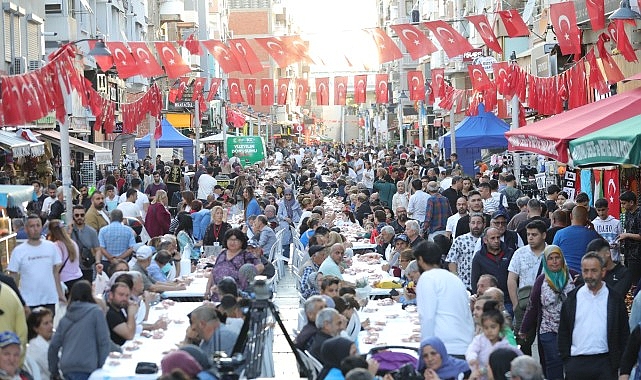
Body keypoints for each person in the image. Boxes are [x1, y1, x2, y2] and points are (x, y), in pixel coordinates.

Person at [558, 252, 629, 380]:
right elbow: (563, 331)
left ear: (603, 272)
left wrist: (622, 367)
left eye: (593, 271)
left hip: (605, 363)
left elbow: (624, 333)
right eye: (585, 271)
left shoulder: (614, 299)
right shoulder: (572, 299)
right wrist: (567, 361)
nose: (589, 275)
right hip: (576, 363)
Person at [519, 245, 577, 380]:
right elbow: (532, 306)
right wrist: (524, 328)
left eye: (557, 258)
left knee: (570, 363)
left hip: (571, 329)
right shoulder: (541, 280)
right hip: (548, 328)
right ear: (546, 261)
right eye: (550, 258)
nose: (555, 261)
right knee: (553, 361)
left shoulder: (573, 276)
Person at [415, 240, 474, 356]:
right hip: (466, 344)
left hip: (445, 347)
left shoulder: (427, 278)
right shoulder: (453, 278)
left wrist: (426, 350)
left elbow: (427, 316)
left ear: (420, 260)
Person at [48, 281, 111, 380]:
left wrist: (54, 371)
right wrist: (100, 365)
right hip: (88, 366)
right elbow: (103, 341)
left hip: (67, 367)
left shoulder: (66, 316)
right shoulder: (96, 313)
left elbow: (53, 346)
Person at [8, 215, 65, 315]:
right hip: (29, 301)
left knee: (48, 329)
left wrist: (60, 295)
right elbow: (13, 277)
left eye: (38, 225)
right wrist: (17, 300)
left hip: (49, 299)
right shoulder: (18, 251)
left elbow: (56, 273)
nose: (35, 229)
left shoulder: (51, 247)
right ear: (26, 229)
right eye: (32, 226)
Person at [507, 220, 547, 356]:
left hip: (547, 307)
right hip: (524, 306)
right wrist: (515, 305)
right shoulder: (520, 253)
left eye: (534, 234)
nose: (530, 237)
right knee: (522, 343)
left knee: (546, 345)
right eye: (528, 234)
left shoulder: (552, 253)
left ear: (544, 235)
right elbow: (512, 279)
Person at [204, 228, 264, 301]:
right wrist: (207, 290)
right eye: (230, 239)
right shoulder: (222, 254)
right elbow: (213, 272)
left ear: (241, 242)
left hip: (236, 296)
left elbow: (260, 267)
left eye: (236, 240)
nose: (232, 242)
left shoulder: (246, 255)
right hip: (217, 295)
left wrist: (246, 273)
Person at [466, 305, 522, 379]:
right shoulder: (479, 340)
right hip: (480, 373)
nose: (489, 331)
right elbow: (471, 350)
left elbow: (515, 351)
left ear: (500, 327)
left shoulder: (504, 343)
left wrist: (522, 360)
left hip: (497, 375)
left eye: (493, 327)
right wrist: (472, 358)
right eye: (486, 328)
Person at [471, 227, 514, 311]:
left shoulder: (510, 253)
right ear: (485, 240)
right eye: (493, 238)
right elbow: (474, 280)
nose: (496, 240)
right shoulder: (478, 257)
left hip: (508, 300)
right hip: (488, 301)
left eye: (498, 237)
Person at [552, 205, 601, 273]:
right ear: (587, 218)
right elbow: (605, 246)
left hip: (565, 275)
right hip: (586, 275)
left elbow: (552, 254)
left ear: (571, 216)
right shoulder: (593, 235)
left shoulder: (560, 234)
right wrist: (594, 231)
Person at [446, 213, 485, 290]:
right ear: (469, 224)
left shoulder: (488, 240)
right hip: (464, 285)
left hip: (483, 285)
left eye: (479, 223)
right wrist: (456, 278)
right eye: (473, 223)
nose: (476, 226)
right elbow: (451, 260)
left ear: (484, 225)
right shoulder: (460, 240)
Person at [69, 205, 102, 282]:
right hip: (71, 269)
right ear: (73, 216)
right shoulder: (68, 230)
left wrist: (97, 262)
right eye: (77, 215)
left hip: (86, 268)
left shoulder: (92, 231)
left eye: (82, 215)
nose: (79, 217)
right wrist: (69, 232)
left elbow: (98, 249)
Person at [618, 191, 641, 286]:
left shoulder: (639, 214)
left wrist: (627, 235)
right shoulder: (627, 213)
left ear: (631, 202)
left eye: (624, 203)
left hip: (637, 255)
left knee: (635, 283)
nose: (622, 206)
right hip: (628, 253)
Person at [106, 281, 138, 346]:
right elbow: (129, 335)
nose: (124, 298)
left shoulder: (118, 308)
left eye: (127, 295)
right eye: (121, 295)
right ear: (111, 295)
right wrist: (131, 314)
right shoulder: (109, 313)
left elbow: (129, 326)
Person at [25, 307, 53, 379]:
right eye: (46, 323)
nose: (51, 326)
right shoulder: (38, 346)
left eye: (51, 322)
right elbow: (55, 370)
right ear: (35, 328)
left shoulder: (47, 342)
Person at [592, 198, 622, 262]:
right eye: (599, 210)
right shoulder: (593, 224)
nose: (601, 213)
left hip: (614, 259)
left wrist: (617, 244)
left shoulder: (616, 223)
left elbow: (621, 239)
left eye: (603, 210)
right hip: (600, 259)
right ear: (596, 210)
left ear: (607, 209)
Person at [278, 188, 302, 258]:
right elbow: (279, 214)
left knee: (295, 241)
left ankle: (295, 257)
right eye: (286, 195)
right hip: (285, 225)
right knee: (285, 241)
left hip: (294, 223)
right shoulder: (282, 203)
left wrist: (302, 219)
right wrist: (285, 218)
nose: (288, 196)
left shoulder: (296, 203)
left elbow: (300, 212)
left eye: (289, 195)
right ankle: (286, 257)